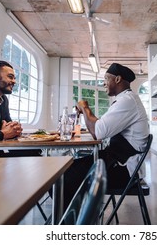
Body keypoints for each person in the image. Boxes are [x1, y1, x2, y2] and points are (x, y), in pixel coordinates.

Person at [63, 63, 149, 207]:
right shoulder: (125, 100)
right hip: (119, 163)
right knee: (68, 169)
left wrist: (84, 107)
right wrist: (87, 113)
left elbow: (98, 132)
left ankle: (69, 222)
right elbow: (101, 126)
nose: (104, 83)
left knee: (64, 176)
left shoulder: (127, 101)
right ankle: (71, 217)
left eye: (106, 78)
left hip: (125, 171)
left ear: (117, 79)